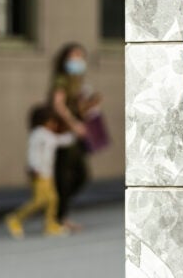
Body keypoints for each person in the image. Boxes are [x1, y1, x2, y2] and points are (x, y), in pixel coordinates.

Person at [4, 104, 84, 238]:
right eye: (51, 121)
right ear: (43, 121)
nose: (53, 125)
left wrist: (74, 133)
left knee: (53, 199)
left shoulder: (48, 135)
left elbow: (61, 141)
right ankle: (15, 218)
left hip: (48, 174)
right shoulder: (38, 135)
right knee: (40, 200)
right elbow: (33, 153)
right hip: (39, 173)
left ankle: (50, 225)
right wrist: (34, 167)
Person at [48, 43, 101, 231]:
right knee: (65, 175)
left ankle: (57, 213)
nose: (77, 60)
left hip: (74, 136)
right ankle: (57, 216)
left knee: (78, 175)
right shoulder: (62, 80)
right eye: (73, 56)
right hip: (63, 135)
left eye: (80, 56)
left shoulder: (78, 81)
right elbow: (58, 105)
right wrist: (74, 124)